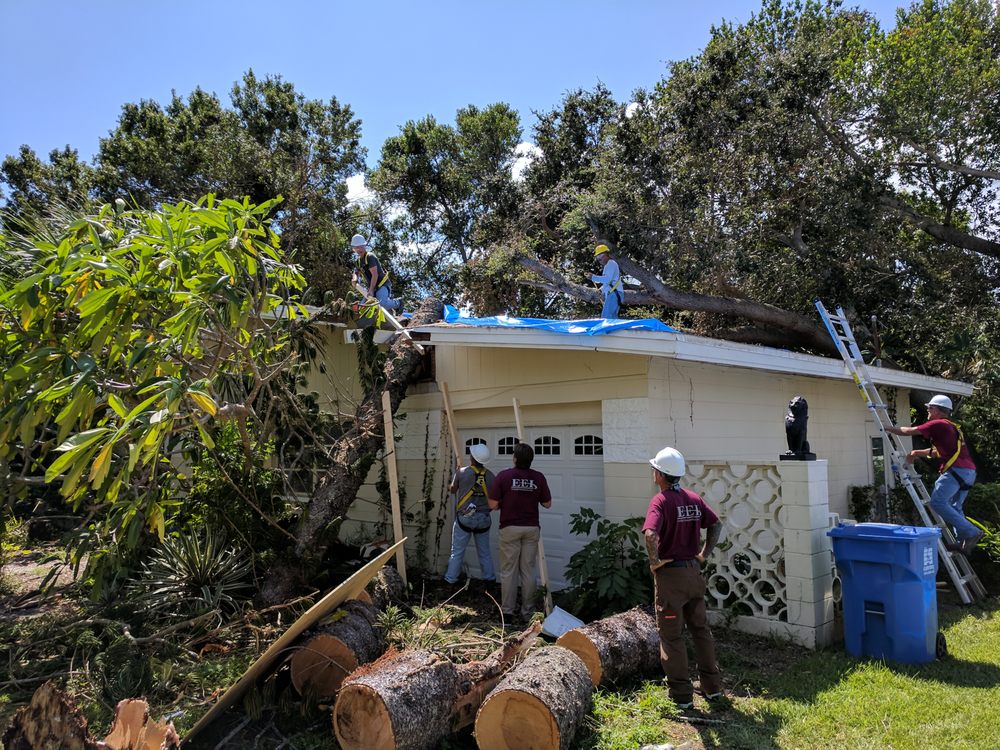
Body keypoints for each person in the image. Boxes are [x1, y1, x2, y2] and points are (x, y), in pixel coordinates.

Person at [642, 446, 723, 710]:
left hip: (671, 579)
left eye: (654, 469)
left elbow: (650, 535)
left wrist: (654, 563)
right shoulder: (693, 498)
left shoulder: (661, 501)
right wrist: (703, 554)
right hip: (693, 574)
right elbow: (716, 523)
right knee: (701, 631)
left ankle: (682, 696)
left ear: (660, 475)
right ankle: (712, 688)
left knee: (672, 636)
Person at [885, 394, 982, 554]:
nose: (928, 410)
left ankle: (971, 532)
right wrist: (916, 452)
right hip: (968, 472)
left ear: (937, 410)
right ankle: (962, 542)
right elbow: (937, 452)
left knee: (938, 503)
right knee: (955, 507)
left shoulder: (937, 424)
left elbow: (910, 431)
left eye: (930, 407)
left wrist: (889, 428)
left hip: (956, 472)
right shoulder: (951, 427)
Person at [489, 441, 552, 622]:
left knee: (508, 570)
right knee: (527, 570)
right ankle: (528, 613)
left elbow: (492, 505)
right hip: (531, 528)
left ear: (515, 458)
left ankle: (507, 613)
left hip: (509, 528)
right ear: (531, 460)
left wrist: (505, 502)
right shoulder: (538, 477)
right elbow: (547, 504)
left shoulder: (504, 476)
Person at [444, 443, 498, 587]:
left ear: (472, 457)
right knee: (484, 553)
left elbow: (453, 490)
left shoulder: (461, 472)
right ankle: (490, 581)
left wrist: (456, 476)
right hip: (483, 519)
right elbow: (495, 500)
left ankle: (450, 580)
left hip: (465, 519)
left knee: (457, 552)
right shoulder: (491, 476)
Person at [350, 233, 400, 310]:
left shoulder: (370, 257)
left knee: (381, 305)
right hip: (372, 287)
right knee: (363, 308)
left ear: (364, 246)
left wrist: (371, 290)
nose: (359, 249)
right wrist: (355, 278)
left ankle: (399, 303)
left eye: (360, 247)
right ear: (354, 248)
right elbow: (356, 272)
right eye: (356, 247)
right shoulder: (358, 261)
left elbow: (375, 275)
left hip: (382, 285)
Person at [591, 243, 623, 319]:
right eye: (597, 257)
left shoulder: (611, 263)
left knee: (606, 318)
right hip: (614, 293)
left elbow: (607, 279)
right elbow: (608, 282)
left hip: (614, 293)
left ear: (607, 254)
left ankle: (606, 331)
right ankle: (617, 331)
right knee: (612, 318)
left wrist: (593, 277)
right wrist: (601, 289)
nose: (599, 259)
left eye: (600, 256)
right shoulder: (607, 266)